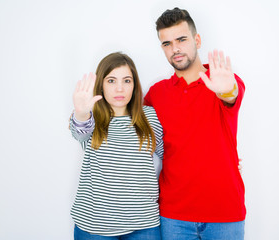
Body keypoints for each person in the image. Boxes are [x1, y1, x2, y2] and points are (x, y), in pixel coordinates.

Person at [144, 8, 246, 240]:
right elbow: (132, 127)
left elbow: (231, 94)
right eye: (167, 43)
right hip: (174, 215)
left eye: (181, 39)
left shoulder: (223, 79)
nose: (175, 49)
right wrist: (80, 118)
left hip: (225, 212)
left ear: (197, 40)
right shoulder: (156, 94)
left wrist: (226, 90)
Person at [69, 52, 163, 240]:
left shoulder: (149, 117)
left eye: (127, 81)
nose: (120, 88)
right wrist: (80, 113)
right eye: (111, 81)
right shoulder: (91, 117)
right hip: (95, 225)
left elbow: (172, 155)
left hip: (144, 224)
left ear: (134, 85)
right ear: (101, 86)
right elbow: (79, 131)